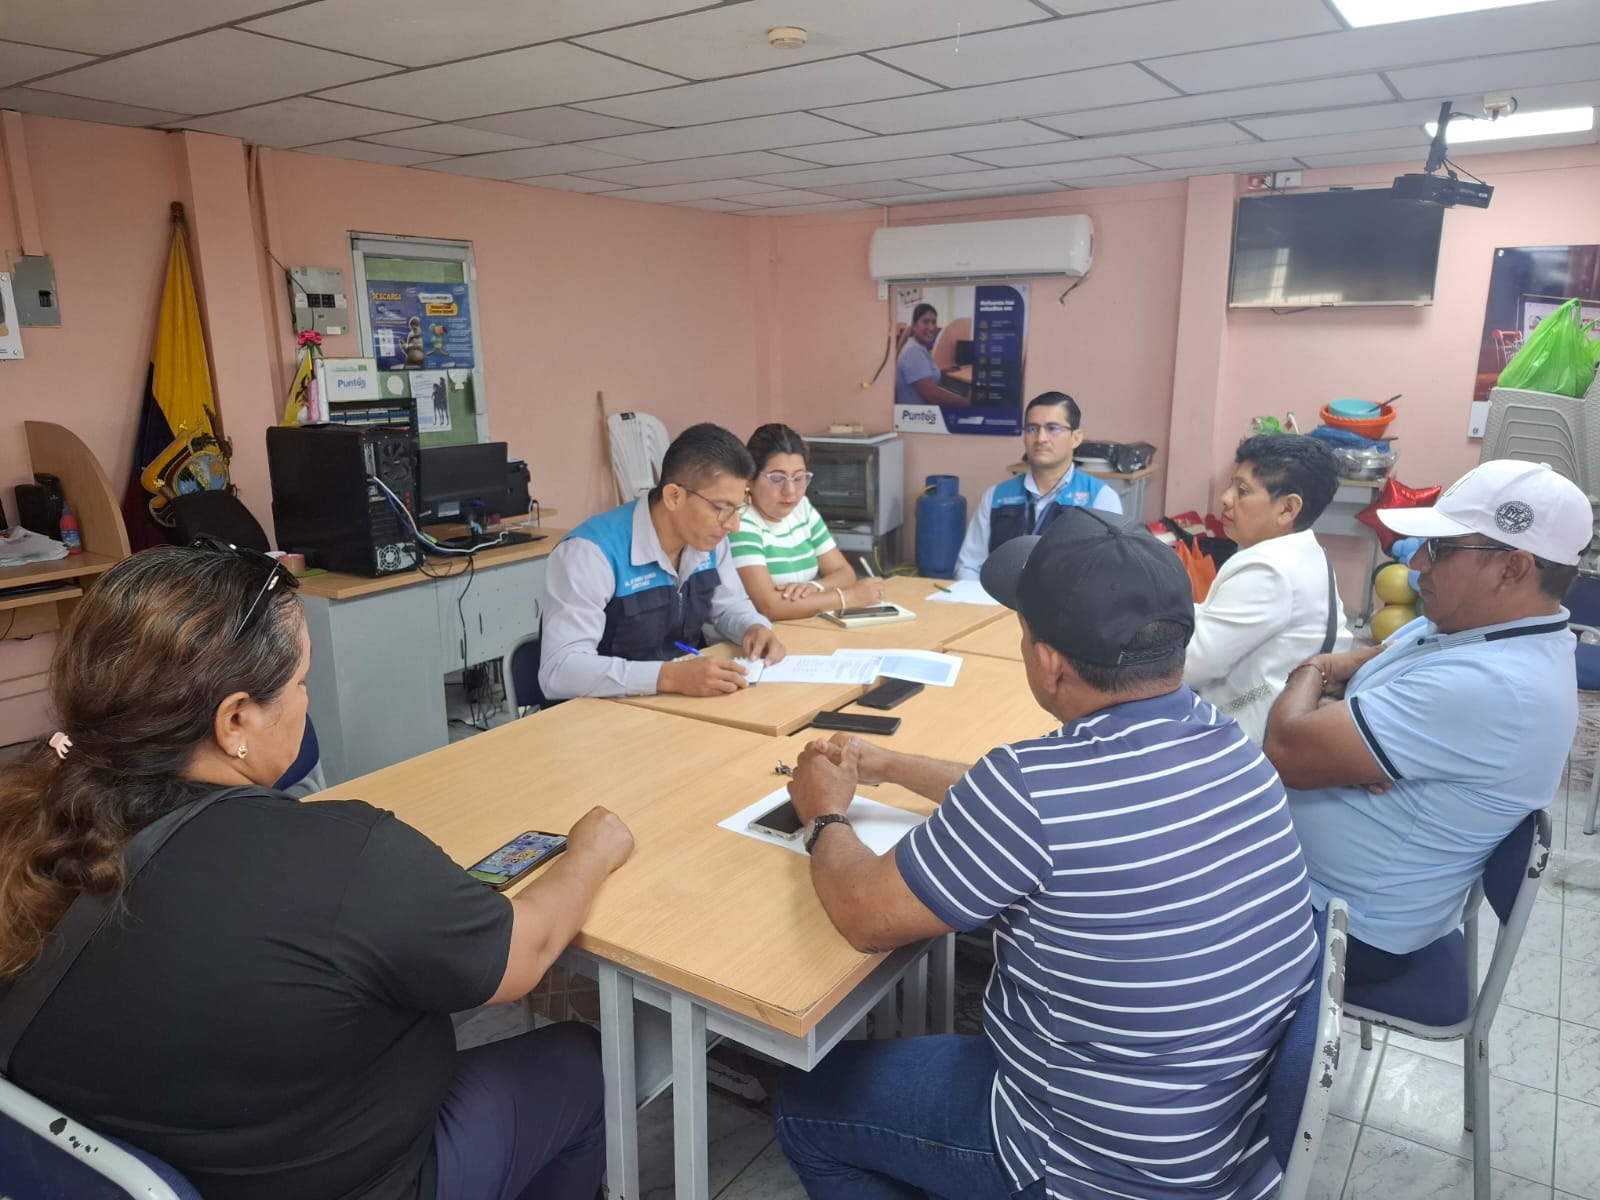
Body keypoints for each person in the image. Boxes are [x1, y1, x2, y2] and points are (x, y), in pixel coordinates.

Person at [0, 542, 635, 1200]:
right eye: (301, 682)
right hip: (366, 1180)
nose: (307, 701)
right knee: (578, 1064)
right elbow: (523, 953)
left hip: (128, 1167)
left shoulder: (29, 823)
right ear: (236, 720)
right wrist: (591, 852)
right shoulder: (337, 856)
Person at [776, 508, 1318, 1200]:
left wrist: (822, 812)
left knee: (804, 1105)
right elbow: (1039, 805)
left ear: (1049, 663)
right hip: (1219, 1139)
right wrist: (893, 765)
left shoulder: (1029, 790)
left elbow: (863, 915)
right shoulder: (1228, 741)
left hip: (1089, 1164)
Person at [1263, 459, 1588, 984]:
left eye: (1440, 548)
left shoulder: (1497, 684)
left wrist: (1313, 669)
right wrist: (1335, 732)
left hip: (1343, 923)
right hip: (1311, 881)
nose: (1418, 564)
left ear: (1513, 568)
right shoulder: (1465, 626)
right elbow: (1350, 688)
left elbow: (1285, 750)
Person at [539, 422, 786, 700]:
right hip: (601, 710)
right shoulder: (590, 553)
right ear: (674, 497)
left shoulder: (710, 540)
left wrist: (753, 627)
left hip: (678, 700)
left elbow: (728, 606)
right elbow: (560, 670)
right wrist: (667, 676)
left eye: (738, 508)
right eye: (721, 508)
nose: (734, 525)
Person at [1185, 434, 1351, 743]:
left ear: (1288, 508)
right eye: (1231, 485)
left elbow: (1190, 666)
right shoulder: (1307, 552)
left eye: (1243, 490)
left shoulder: (1268, 569)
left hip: (1243, 734)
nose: (1226, 498)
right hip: (1278, 715)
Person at [954, 392, 1122, 581]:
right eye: (1032, 429)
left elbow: (1109, 573)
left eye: (1053, 428)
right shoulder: (996, 497)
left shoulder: (1100, 498)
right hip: (1000, 596)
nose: (1041, 438)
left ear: (1076, 437)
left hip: (1067, 598)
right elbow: (969, 566)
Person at [728, 423, 887, 620]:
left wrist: (815, 587)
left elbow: (844, 573)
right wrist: (849, 598)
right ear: (750, 480)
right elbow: (770, 607)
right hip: (762, 632)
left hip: (805, 624)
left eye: (799, 478)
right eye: (777, 479)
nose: (790, 491)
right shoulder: (740, 521)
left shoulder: (801, 509)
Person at [894, 303, 947, 407]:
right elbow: (933, 397)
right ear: (914, 326)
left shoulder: (917, 346)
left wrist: (941, 371)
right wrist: (968, 402)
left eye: (934, 322)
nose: (931, 327)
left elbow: (921, 372)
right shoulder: (913, 351)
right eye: (926, 321)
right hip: (918, 414)